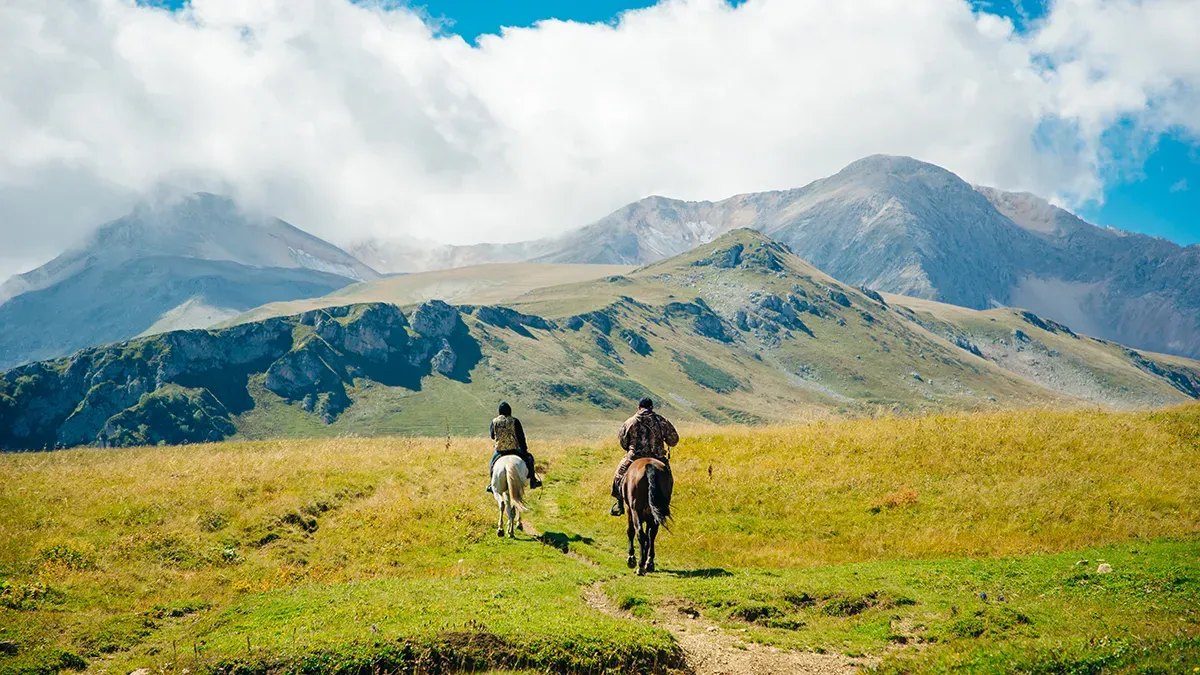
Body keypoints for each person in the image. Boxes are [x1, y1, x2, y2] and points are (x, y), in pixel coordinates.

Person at [610, 397, 678, 516]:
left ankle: (619, 504)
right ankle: (665, 505)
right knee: (668, 479)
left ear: (639, 407)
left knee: (618, 476)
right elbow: (674, 440)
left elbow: (623, 442)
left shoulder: (630, 422)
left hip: (634, 457)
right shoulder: (661, 421)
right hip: (657, 457)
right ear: (651, 407)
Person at [487, 402, 542, 492]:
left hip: (500, 451)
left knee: (492, 465)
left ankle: (491, 485)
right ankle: (533, 480)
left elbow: (492, 436)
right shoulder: (514, 421)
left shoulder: (494, 421)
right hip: (515, 450)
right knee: (530, 460)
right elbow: (521, 436)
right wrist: (524, 450)